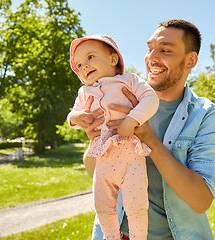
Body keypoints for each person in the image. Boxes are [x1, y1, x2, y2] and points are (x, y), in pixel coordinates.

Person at [82, 20, 215, 240]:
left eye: (165, 50)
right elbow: (94, 171)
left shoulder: (206, 115)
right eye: (149, 49)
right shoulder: (119, 98)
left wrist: (149, 138)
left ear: (191, 60)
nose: (152, 58)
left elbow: (201, 201)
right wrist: (94, 139)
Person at [67, 35, 159, 240]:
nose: (84, 66)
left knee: (137, 205)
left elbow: (150, 99)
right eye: (79, 64)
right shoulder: (84, 92)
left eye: (90, 57)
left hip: (130, 153)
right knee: (102, 205)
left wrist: (132, 120)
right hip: (103, 156)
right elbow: (71, 115)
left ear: (113, 59)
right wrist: (77, 117)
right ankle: (110, 237)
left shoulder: (130, 80)